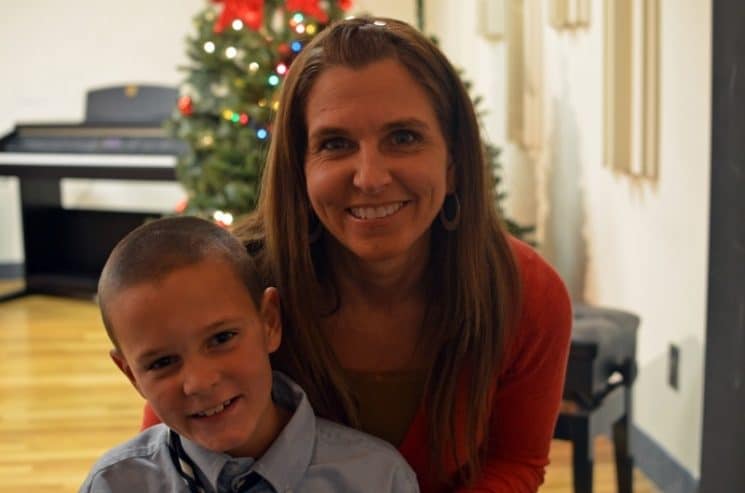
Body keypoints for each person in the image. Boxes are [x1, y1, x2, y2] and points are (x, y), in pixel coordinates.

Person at [141, 17, 573, 493]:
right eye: (335, 143)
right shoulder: (227, 284)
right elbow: (166, 465)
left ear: (453, 164)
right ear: (299, 168)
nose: (370, 177)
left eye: (404, 137)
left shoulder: (525, 294)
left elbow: (514, 461)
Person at [81, 216, 419, 492]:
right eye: (162, 362)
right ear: (130, 374)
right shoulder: (115, 485)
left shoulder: (376, 479)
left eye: (222, 338)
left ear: (269, 323)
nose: (200, 382)